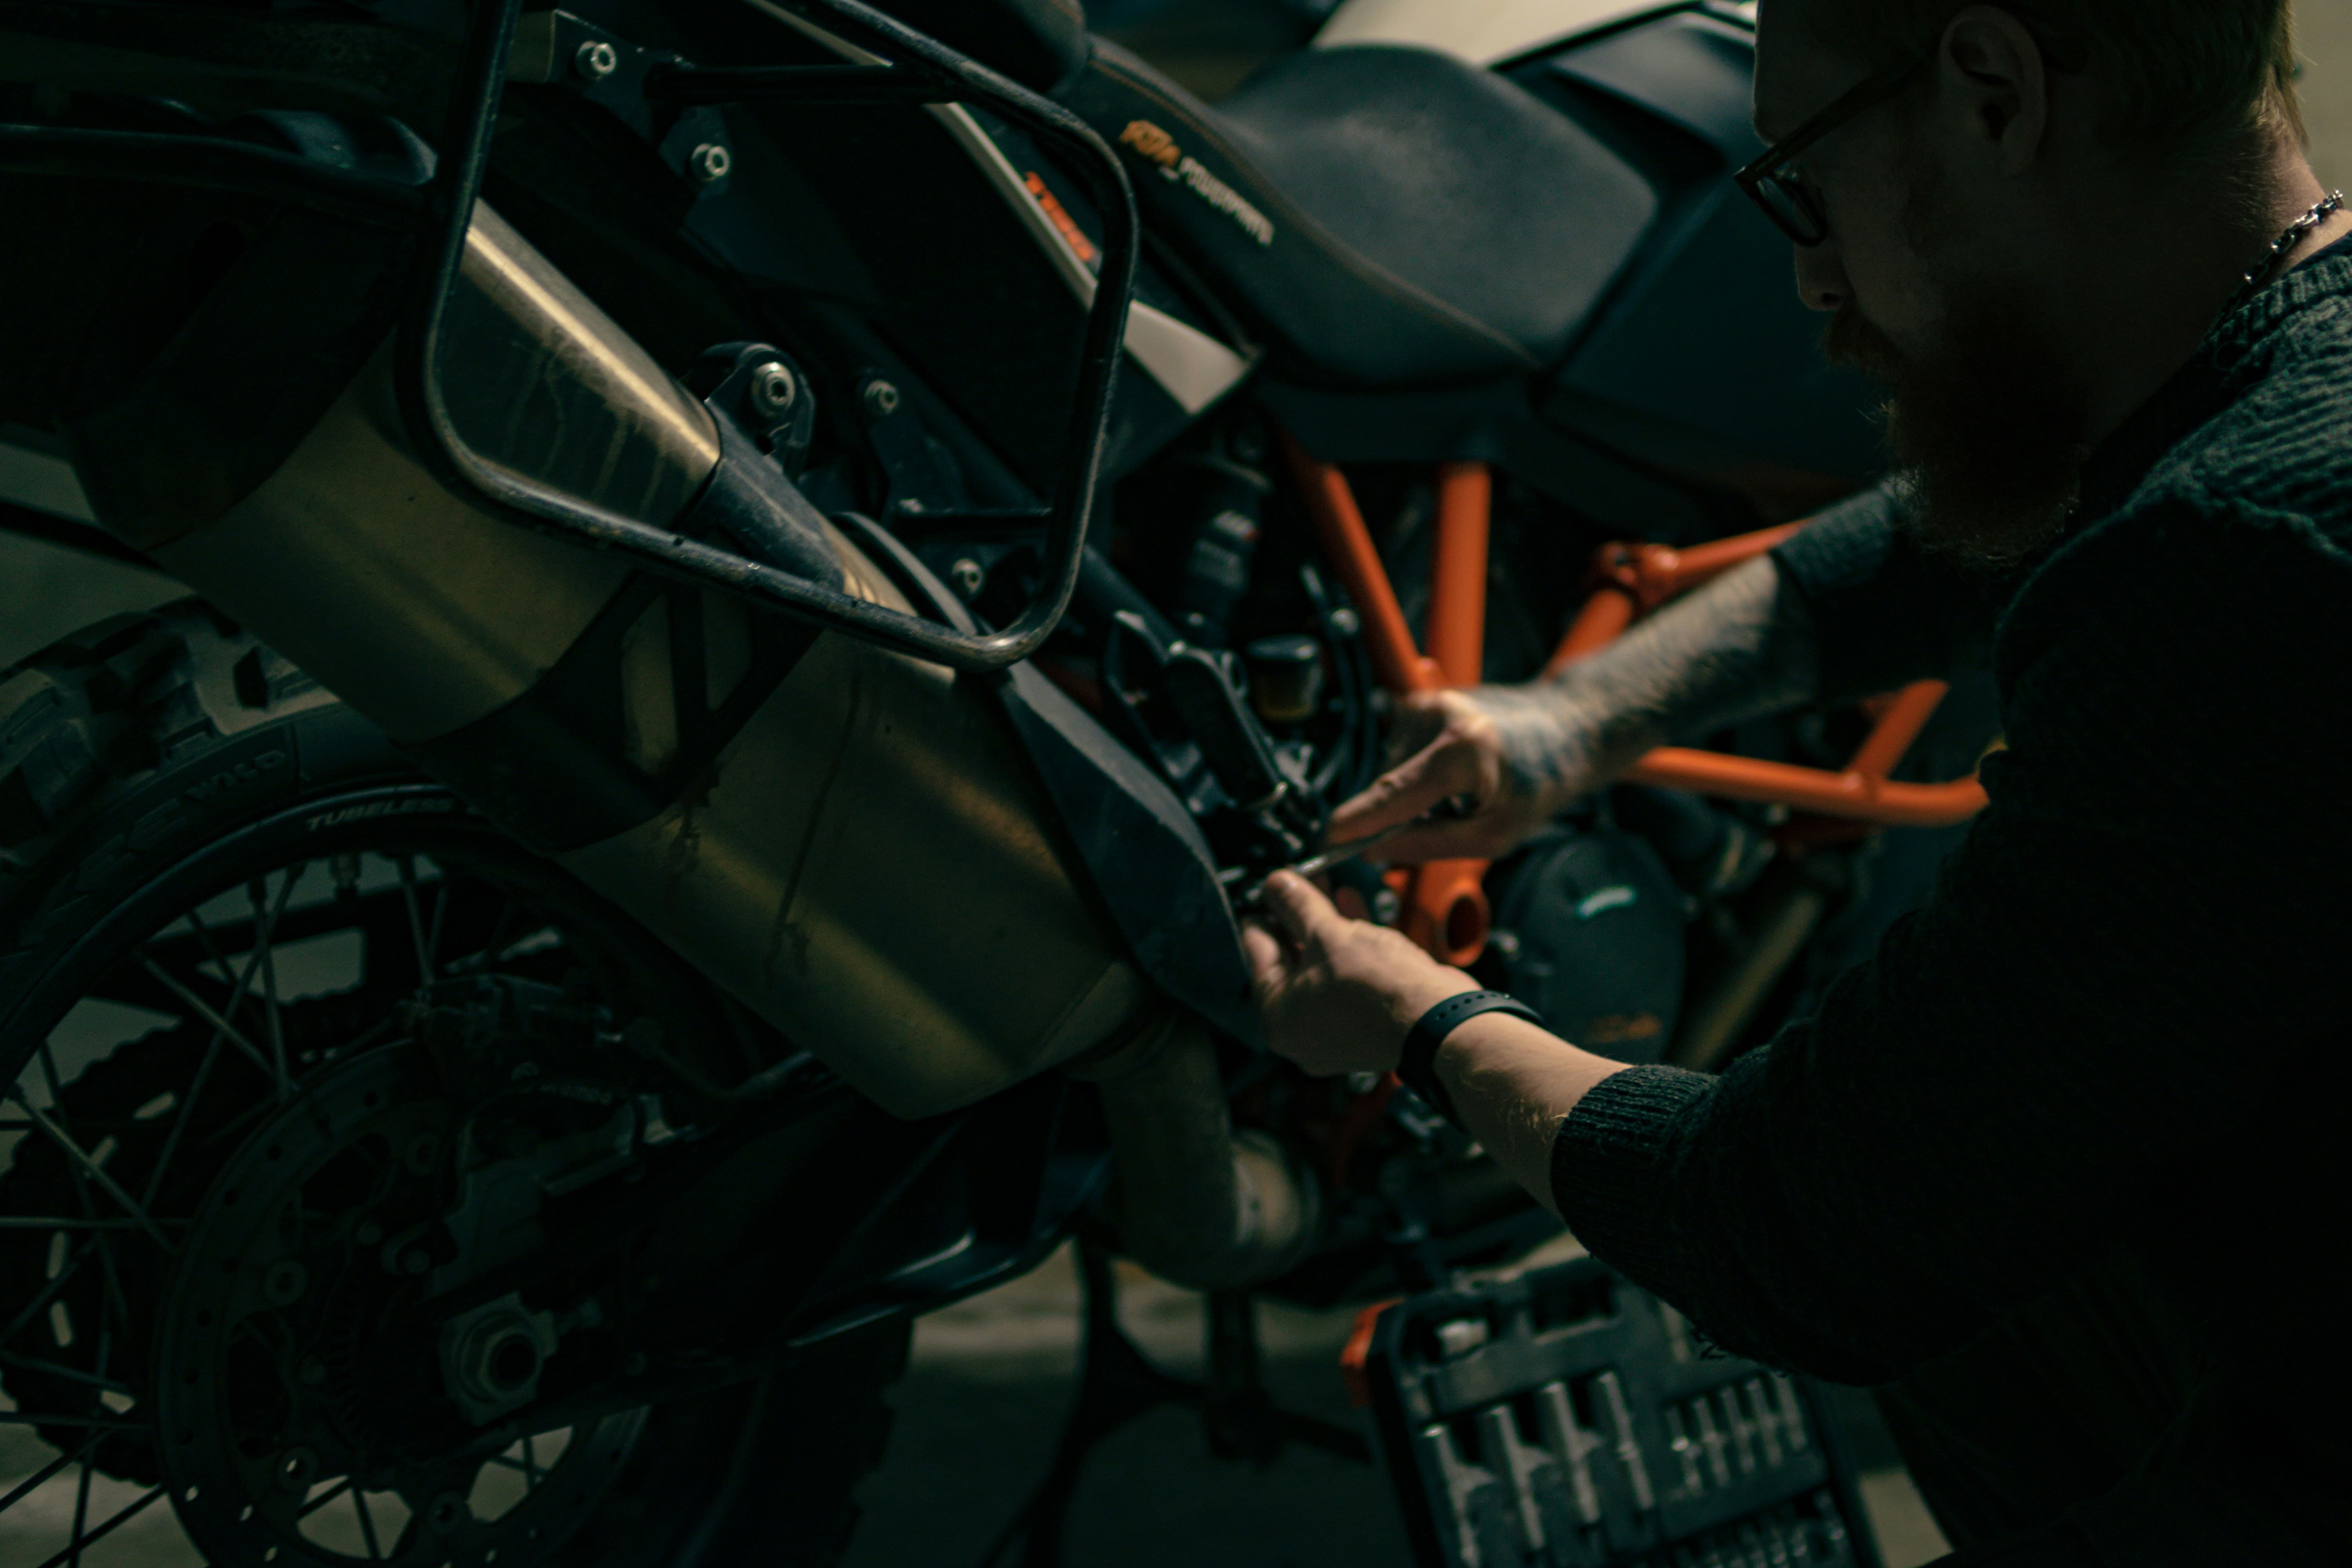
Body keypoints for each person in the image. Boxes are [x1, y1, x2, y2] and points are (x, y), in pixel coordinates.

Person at [1243, 1, 2352, 1561]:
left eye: (1803, 182)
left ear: (1988, 89)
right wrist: (1569, 725)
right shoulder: (2285, 393)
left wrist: (1420, 1023)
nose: (1810, 282)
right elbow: (1932, 546)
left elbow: (1805, 1226)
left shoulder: (2247, 559)